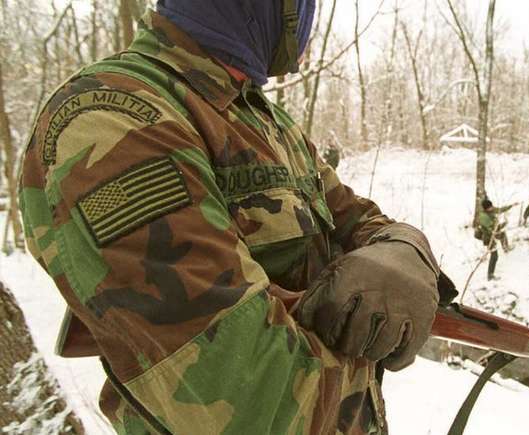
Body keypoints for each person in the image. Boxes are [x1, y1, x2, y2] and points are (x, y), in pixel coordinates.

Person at [19, 2, 446, 434]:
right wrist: (363, 333)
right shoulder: (113, 116)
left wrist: (404, 247)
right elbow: (249, 395)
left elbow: (358, 219)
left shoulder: (265, 121)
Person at [477, 199, 513, 281]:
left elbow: (500, 210)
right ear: (486, 208)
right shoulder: (484, 217)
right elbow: (494, 229)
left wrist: (511, 206)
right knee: (494, 256)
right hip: (488, 238)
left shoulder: (490, 210)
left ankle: (505, 248)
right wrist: (504, 224)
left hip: (492, 234)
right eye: (491, 207)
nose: (492, 208)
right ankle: (490, 275)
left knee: (502, 235)